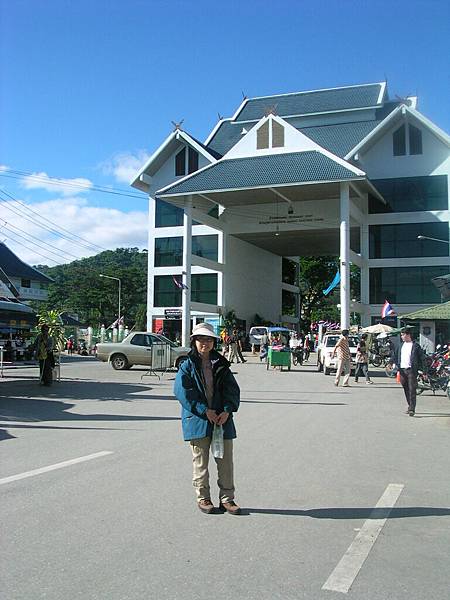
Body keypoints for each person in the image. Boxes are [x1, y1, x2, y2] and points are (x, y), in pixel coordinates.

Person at [174, 322, 241, 514]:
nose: (205, 343)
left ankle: (227, 499)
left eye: (209, 339)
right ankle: (203, 498)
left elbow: (232, 390)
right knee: (200, 462)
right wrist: (205, 411)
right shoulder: (187, 365)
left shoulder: (221, 364)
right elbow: (183, 392)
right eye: (201, 339)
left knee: (225, 461)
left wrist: (227, 410)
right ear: (194, 341)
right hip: (198, 419)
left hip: (222, 420)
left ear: (214, 342)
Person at [393, 327, 424, 416]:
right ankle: (410, 405)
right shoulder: (400, 345)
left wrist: (424, 370)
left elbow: (422, 358)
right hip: (402, 370)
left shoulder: (415, 346)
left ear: (408, 335)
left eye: (403, 335)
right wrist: (391, 363)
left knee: (412, 389)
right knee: (406, 388)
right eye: (401, 335)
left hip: (411, 370)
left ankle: (412, 409)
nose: (402, 337)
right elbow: (395, 355)